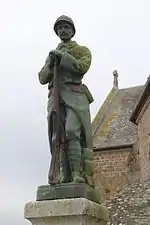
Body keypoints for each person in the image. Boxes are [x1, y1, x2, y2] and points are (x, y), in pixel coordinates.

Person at [38, 15, 94, 186]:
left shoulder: (81, 50)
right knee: (59, 137)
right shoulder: (51, 54)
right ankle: (63, 176)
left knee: (71, 131)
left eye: (66, 27)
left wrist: (63, 57)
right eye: (60, 28)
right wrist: (50, 64)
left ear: (72, 30)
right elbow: (42, 78)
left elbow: (82, 67)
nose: (63, 30)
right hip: (56, 98)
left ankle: (78, 174)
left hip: (75, 96)